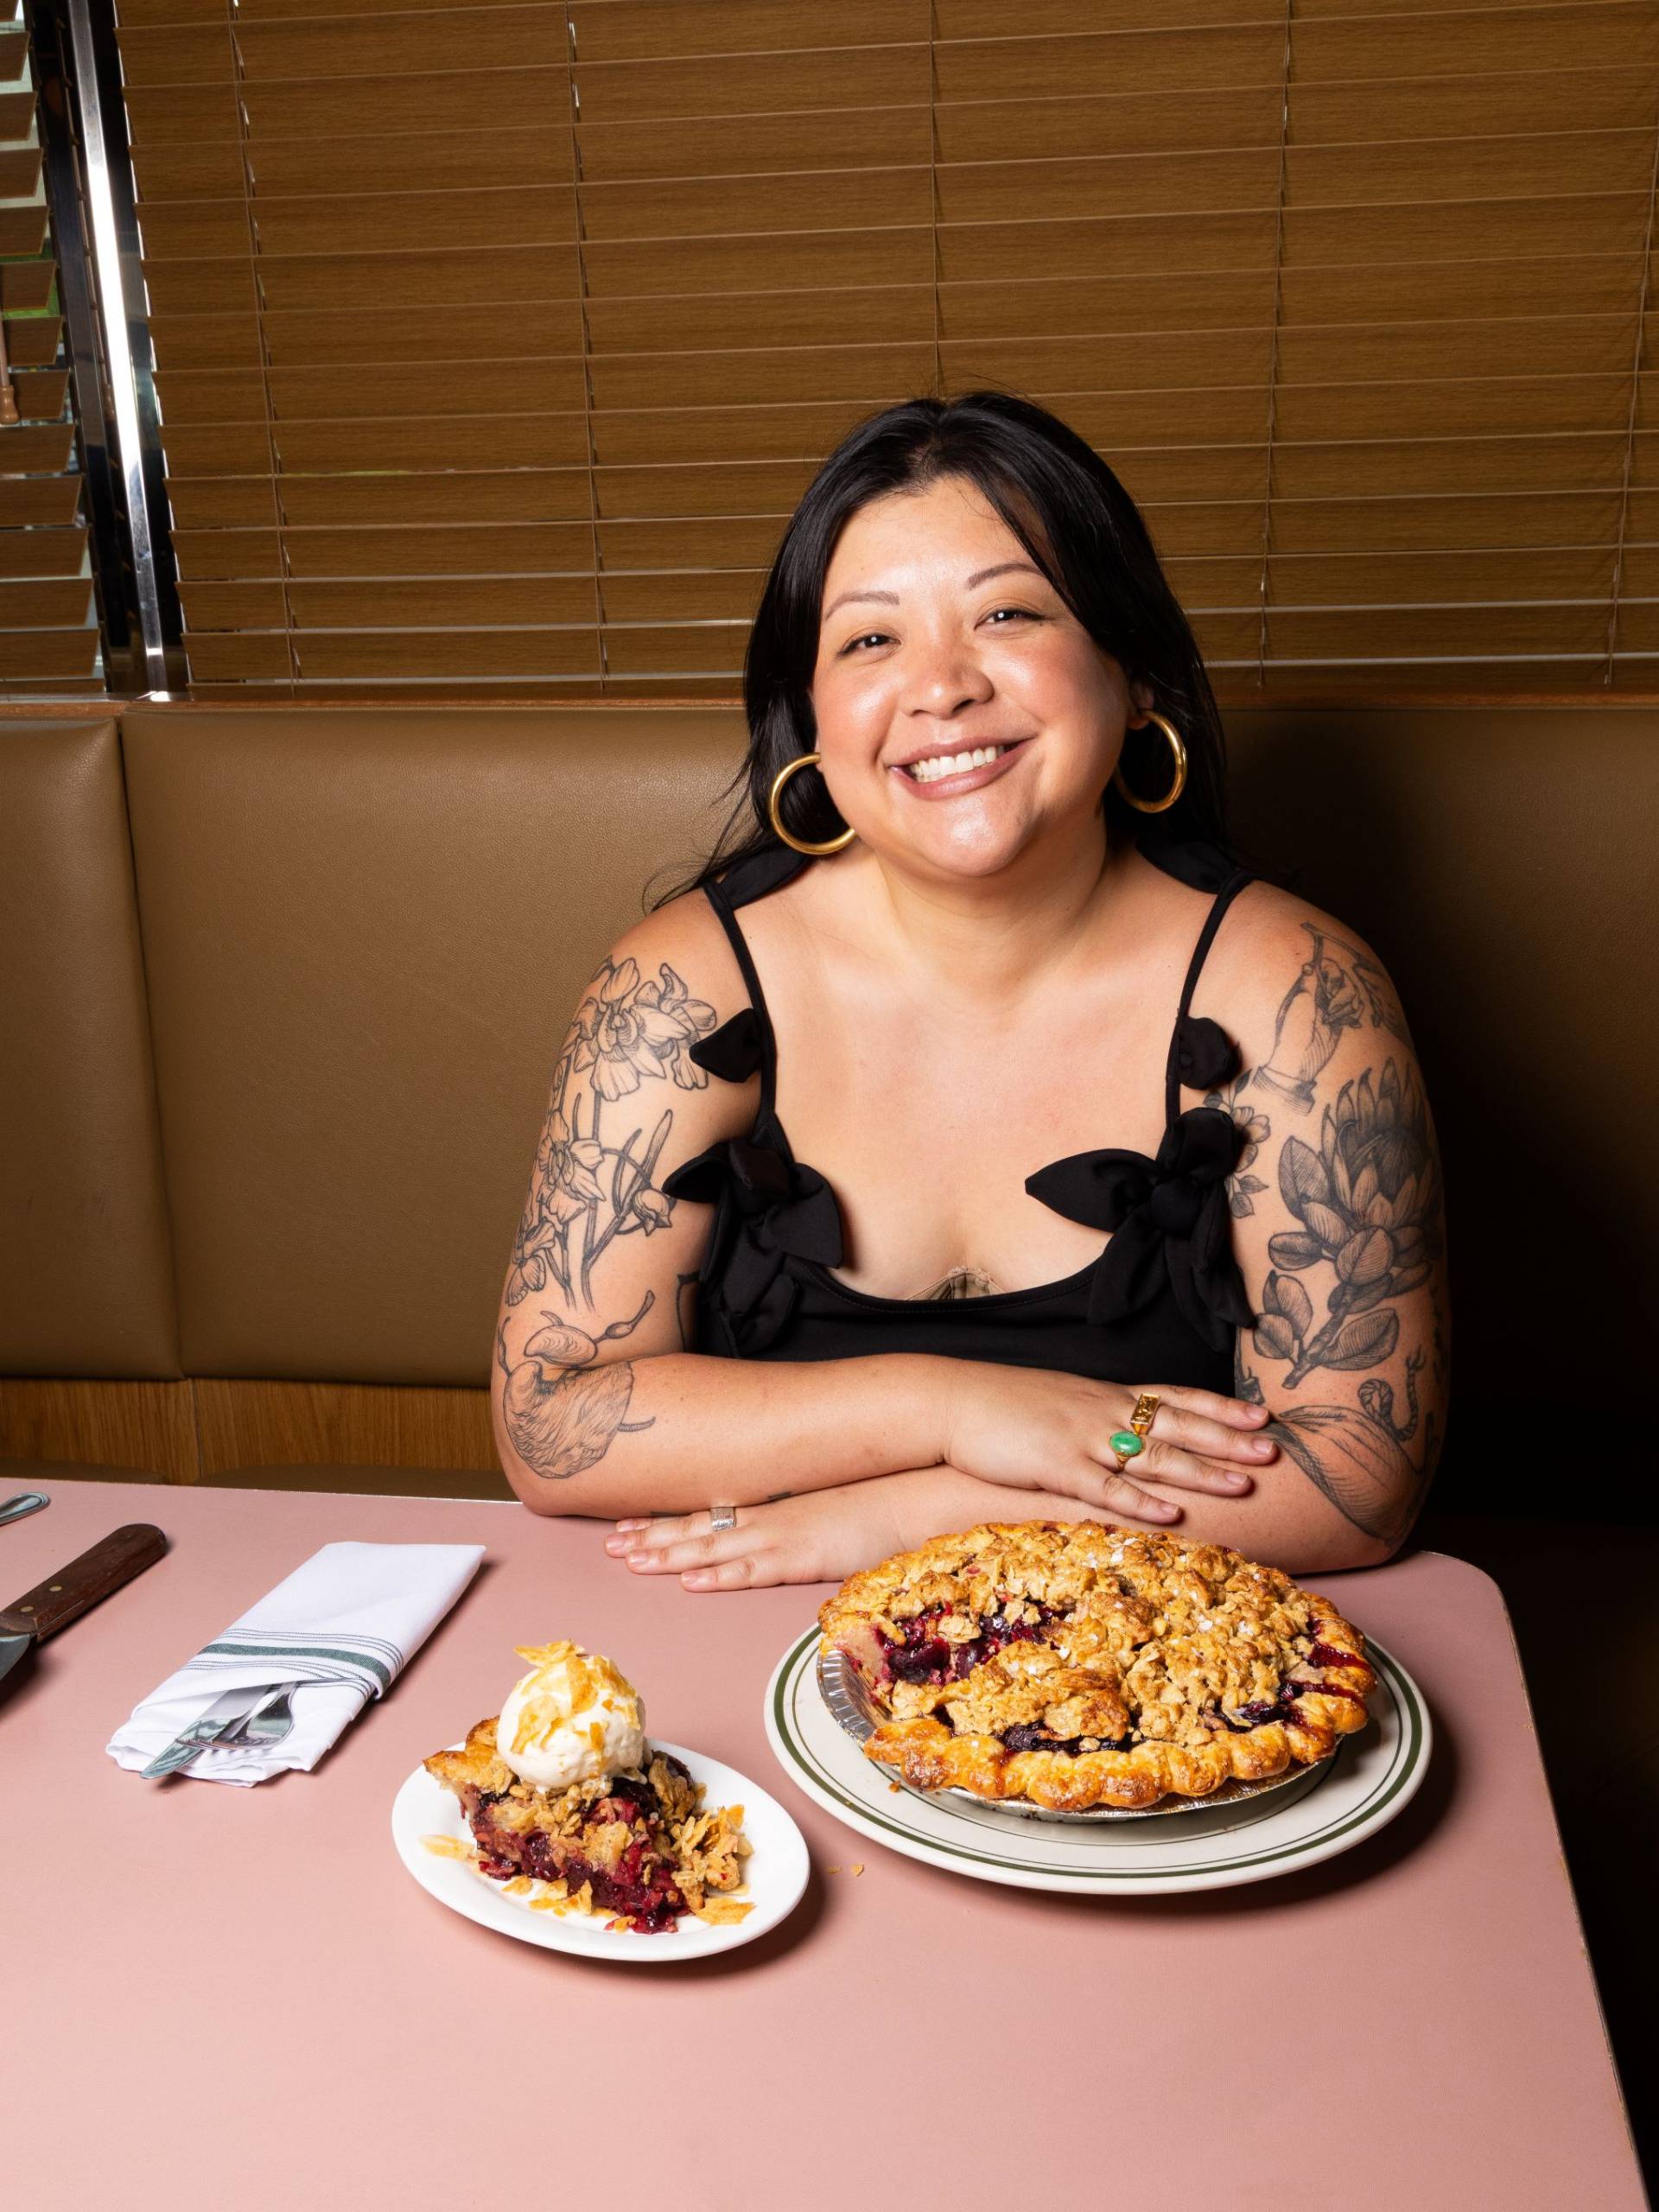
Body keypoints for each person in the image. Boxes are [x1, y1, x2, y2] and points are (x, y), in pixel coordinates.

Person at [493, 392, 1448, 1590]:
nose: (939, 687)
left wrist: (916, 1521)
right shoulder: (678, 989)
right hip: (735, 1646)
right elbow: (551, 1425)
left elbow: (1354, 1482)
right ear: (814, 720)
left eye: (1008, 612)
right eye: (870, 640)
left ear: (1132, 670)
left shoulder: (1300, 995)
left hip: (1157, 1692)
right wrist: (953, 1409)